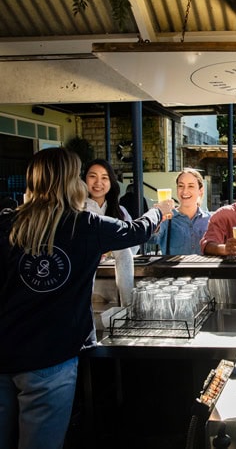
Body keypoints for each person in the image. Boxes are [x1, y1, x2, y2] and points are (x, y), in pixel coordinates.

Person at [0, 148, 172, 449]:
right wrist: (158, 210)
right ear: (72, 182)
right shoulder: (85, 226)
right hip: (50, 359)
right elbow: (137, 231)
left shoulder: (6, 222)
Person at [83, 159, 136, 306]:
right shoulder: (76, 210)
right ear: (84, 179)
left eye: (104, 177)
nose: (98, 182)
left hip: (118, 281)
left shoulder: (121, 212)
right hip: (85, 285)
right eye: (93, 176)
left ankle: (129, 307)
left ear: (111, 182)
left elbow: (132, 245)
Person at [149, 168, 210, 255]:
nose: (185, 191)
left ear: (200, 191)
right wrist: (156, 218)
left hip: (205, 268)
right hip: (172, 268)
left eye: (191, 186)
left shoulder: (210, 220)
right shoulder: (167, 219)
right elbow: (151, 239)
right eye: (181, 186)